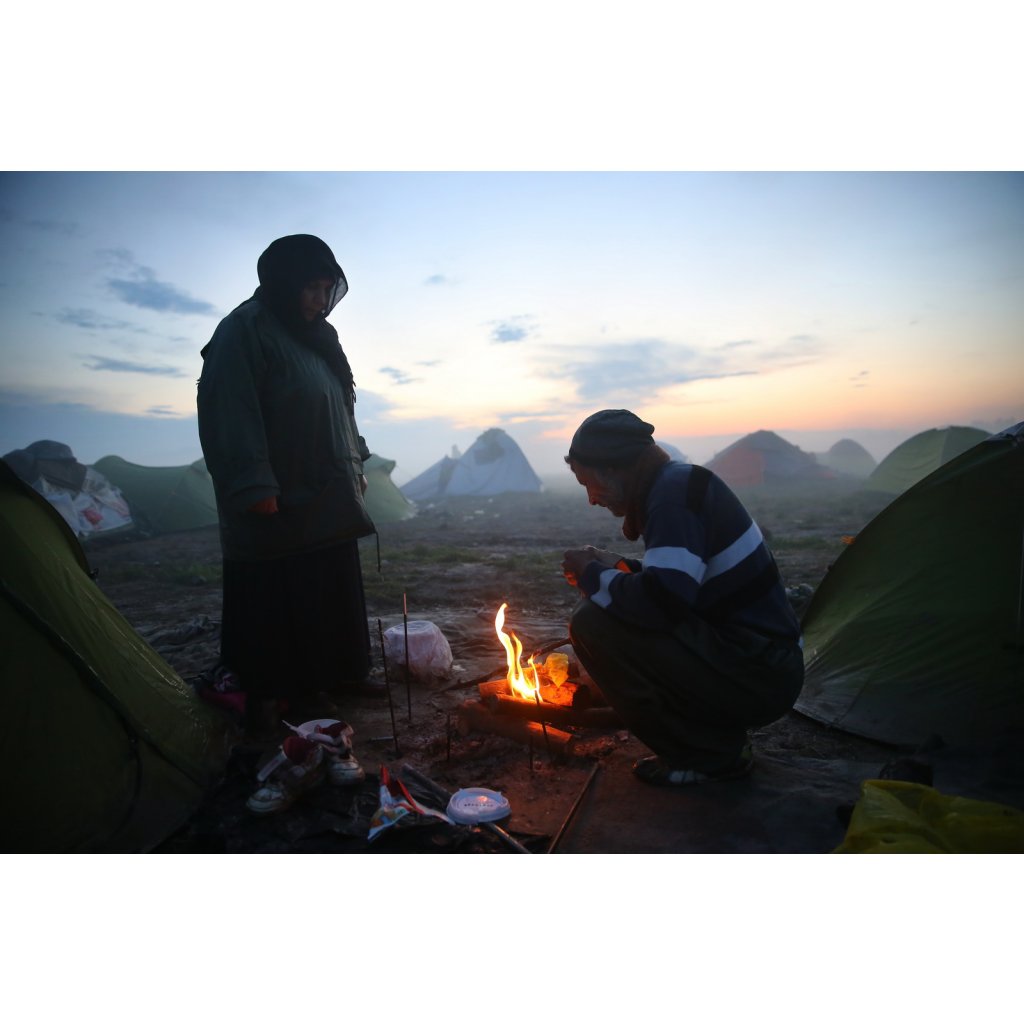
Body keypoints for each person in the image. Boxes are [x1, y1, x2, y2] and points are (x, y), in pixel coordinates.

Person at [197, 234, 379, 740]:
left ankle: (340, 673)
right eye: (311, 289)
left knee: (331, 581)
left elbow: (339, 403)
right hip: (281, 489)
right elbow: (229, 409)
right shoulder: (244, 331)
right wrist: (254, 482)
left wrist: (356, 458)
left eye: (327, 289)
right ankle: (295, 689)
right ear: (284, 284)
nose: (321, 301)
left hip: (327, 482)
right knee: (289, 591)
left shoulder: (319, 337)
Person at [560, 409, 804, 786]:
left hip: (761, 674)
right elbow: (685, 581)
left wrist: (593, 576)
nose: (592, 499)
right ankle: (716, 741)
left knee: (591, 623)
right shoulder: (676, 484)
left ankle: (709, 755)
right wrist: (619, 567)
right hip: (763, 663)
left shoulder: (672, 497)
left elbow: (662, 603)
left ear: (613, 468)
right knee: (605, 609)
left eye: (587, 482)